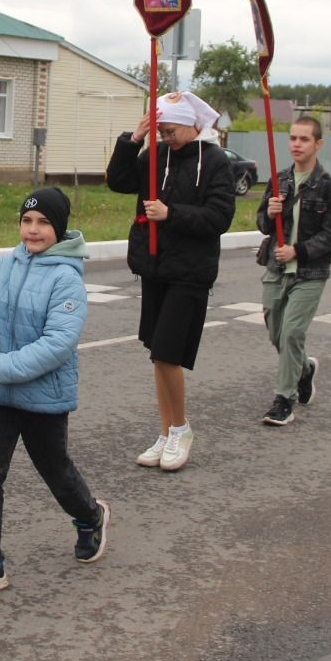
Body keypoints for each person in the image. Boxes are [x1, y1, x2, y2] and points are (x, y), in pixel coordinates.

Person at [0, 187, 109, 596]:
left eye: (43, 223)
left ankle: (90, 517)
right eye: (26, 221)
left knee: (56, 473)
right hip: (2, 395)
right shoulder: (8, 263)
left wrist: (5, 366)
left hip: (42, 396)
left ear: (60, 228)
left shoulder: (66, 278)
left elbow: (58, 344)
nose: (32, 230)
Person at [105, 91, 236, 472]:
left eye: (171, 129)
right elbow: (120, 181)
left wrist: (170, 213)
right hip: (155, 267)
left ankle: (181, 429)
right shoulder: (155, 155)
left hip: (190, 272)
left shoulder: (214, 162)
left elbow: (219, 217)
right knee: (157, 354)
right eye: (160, 129)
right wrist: (133, 140)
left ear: (194, 125)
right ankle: (165, 432)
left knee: (168, 353)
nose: (165, 136)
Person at [255, 117, 331, 427]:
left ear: (318, 144)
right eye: (293, 138)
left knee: (292, 333)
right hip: (276, 268)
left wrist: (299, 250)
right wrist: (269, 213)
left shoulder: (328, 187)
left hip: (310, 273)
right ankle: (304, 369)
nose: (296, 144)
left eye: (304, 139)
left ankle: (284, 400)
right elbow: (262, 225)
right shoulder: (279, 181)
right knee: (277, 333)